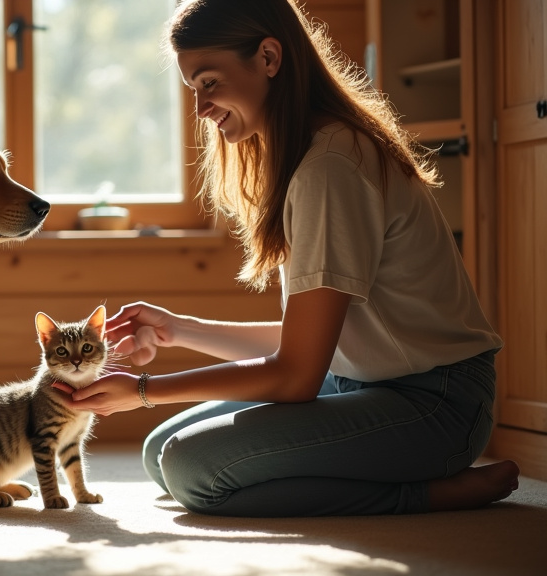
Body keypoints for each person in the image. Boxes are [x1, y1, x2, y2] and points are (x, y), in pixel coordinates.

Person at [53, 0, 519, 517]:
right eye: (193, 89)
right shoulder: (310, 156)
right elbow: (308, 344)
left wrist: (142, 390)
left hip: (435, 405)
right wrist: (177, 329)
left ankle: (428, 492)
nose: (201, 110)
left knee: (192, 467)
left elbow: (296, 374)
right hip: (359, 380)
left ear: (269, 57)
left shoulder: (330, 167)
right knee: (160, 451)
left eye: (209, 82)